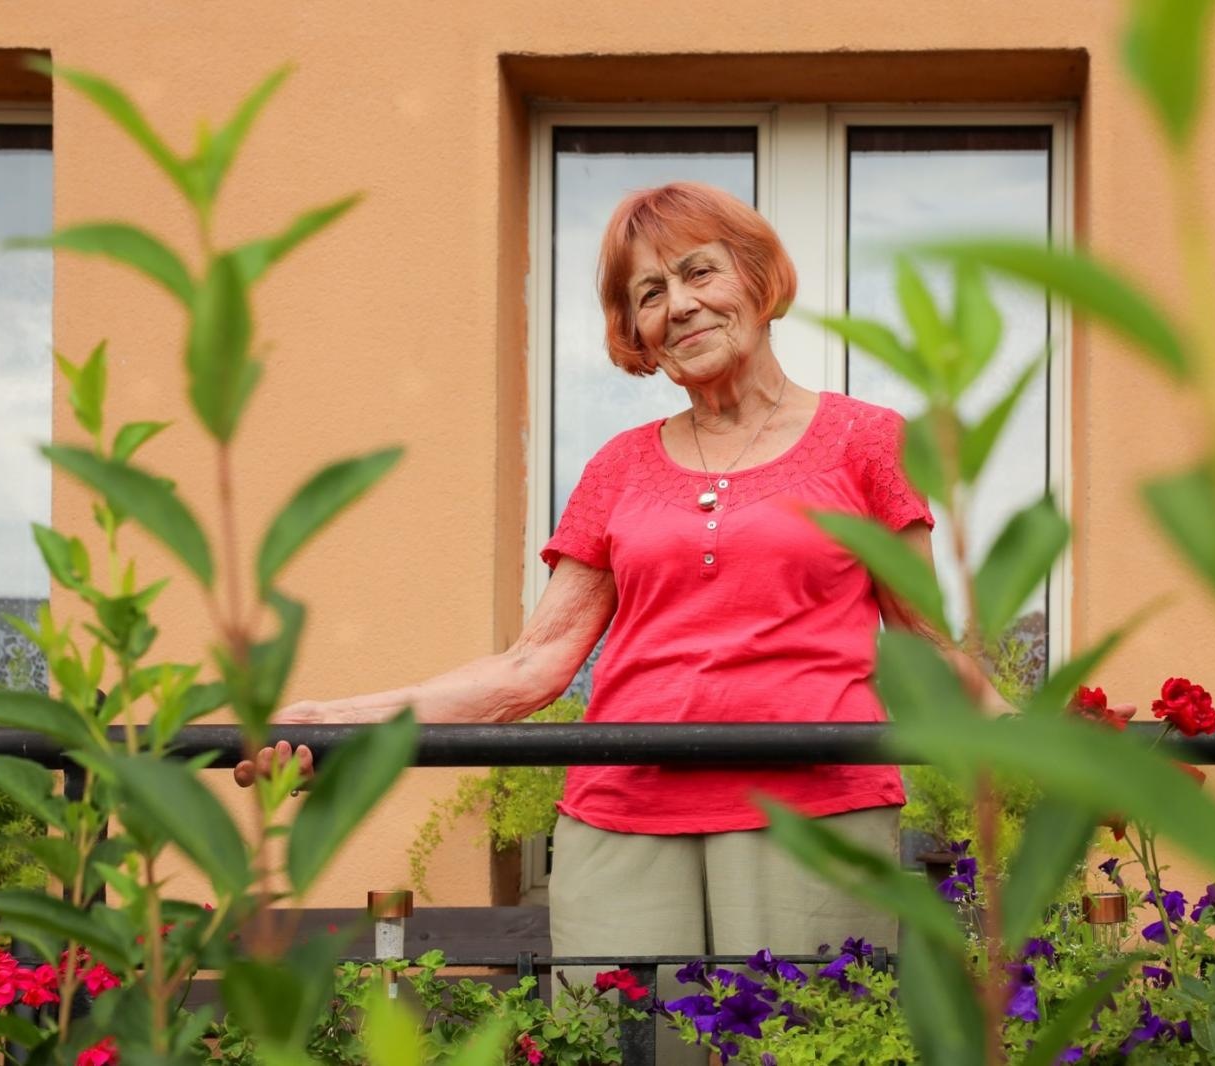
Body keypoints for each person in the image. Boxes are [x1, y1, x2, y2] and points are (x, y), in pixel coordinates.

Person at [235, 182, 994, 1061]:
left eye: (698, 272)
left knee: (806, 1049)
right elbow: (534, 667)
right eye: (649, 294)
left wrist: (1044, 741)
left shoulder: (867, 442)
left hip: (812, 810)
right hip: (622, 813)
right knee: (617, 1049)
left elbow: (928, 643)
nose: (680, 307)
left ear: (755, 278)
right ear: (635, 334)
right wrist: (337, 722)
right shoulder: (620, 466)